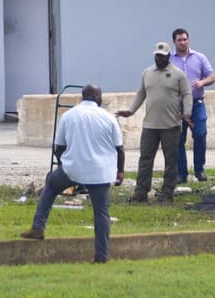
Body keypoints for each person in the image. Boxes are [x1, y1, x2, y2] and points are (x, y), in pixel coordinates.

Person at [19, 84, 124, 263]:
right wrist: (120, 172)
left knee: (51, 184)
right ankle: (101, 256)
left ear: (82, 97)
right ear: (98, 98)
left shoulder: (69, 116)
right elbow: (119, 149)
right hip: (101, 173)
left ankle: (38, 227)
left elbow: (58, 147)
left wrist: (63, 163)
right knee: (101, 213)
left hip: (73, 169)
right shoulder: (109, 118)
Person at [116, 41, 192, 203]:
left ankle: (167, 192)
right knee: (145, 158)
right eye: (157, 56)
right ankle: (141, 192)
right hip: (150, 124)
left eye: (162, 56)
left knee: (171, 160)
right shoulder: (147, 73)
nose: (159, 58)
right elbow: (141, 93)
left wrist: (187, 113)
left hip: (171, 125)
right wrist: (130, 111)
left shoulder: (178, 74)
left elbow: (187, 94)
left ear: (168, 56)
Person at [170, 27, 215, 183]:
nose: (183, 42)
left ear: (188, 40)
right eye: (179, 40)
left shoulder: (199, 57)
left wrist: (202, 82)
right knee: (178, 139)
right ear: (174, 42)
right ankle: (181, 173)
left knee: (200, 134)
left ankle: (199, 170)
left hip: (197, 104)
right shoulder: (170, 60)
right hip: (177, 106)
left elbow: (212, 76)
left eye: (185, 39)